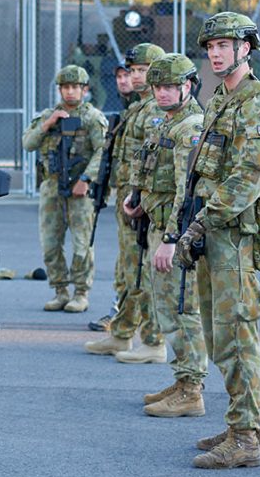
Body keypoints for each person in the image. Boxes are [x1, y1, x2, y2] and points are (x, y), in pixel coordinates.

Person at [175, 12, 260, 469]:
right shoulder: (221, 96)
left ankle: (245, 437)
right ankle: (244, 424)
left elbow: (249, 178)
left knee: (237, 335)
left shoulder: (259, 102)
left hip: (233, 234)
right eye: (211, 46)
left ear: (246, 49)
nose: (215, 53)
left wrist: (202, 222)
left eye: (224, 45)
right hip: (211, 233)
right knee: (219, 335)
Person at [122, 53, 207, 418]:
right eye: (158, 86)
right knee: (167, 310)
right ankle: (182, 379)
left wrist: (172, 240)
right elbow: (157, 173)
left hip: (174, 233)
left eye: (171, 86)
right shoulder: (166, 122)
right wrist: (138, 198)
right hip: (156, 224)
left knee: (181, 310)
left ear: (188, 86)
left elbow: (185, 192)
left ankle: (192, 389)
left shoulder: (189, 128)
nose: (163, 92)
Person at [84, 43, 167, 363]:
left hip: (140, 201)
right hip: (127, 197)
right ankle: (122, 333)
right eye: (132, 70)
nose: (134, 76)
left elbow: (153, 161)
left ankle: (153, 339)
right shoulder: (137, 108)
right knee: (126, 271)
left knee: (141, 273)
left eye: (142, 70)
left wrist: (140, 196)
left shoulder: (155, 110)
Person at [22, 64, 108, 313]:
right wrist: (47, 124)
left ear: (85, 90)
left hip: (79, 188)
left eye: (75, 87)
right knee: (50, 242)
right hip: (51, 186)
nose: (70, 92)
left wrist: (86, 179)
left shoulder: (92, 118)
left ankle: (81, 292)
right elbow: (28, 143)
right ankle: (60, 290)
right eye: (65, 87)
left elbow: (103, 151)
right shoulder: (49, 115)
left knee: (82, 243)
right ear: (59, 90)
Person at [89, 60, 138, 332]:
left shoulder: (144, 112)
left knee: (132, 263)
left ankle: (123, 317)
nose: (123, 80)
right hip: (126, 195)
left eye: (129, 75)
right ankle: (122, 316)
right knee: (126, 261)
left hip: (139, 199)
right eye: (119, 76)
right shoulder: (125, 112)